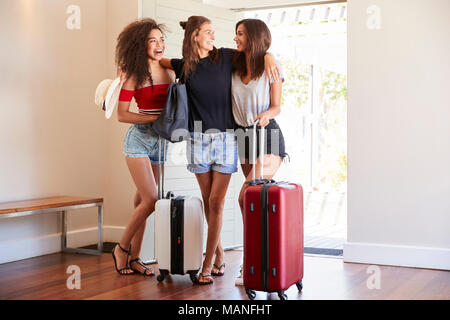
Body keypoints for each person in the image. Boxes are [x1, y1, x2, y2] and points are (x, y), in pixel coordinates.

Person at [159, 16, 280, 285]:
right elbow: (161, 61)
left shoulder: (225, 57)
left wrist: (270, 56)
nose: (215, 37)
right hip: (196, 140)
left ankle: (205, 265)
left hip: (226, 139)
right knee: (207, 200)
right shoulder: (184, 67)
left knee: (216, 202)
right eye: (209, 33)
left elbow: (256, 53)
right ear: (194, 37)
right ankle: (220, 255)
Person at [111, 18, 175, 276]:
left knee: (141, 200)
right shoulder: (133, 74)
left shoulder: (170, 70)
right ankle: (121, 248)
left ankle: (135, 258)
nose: (159, 45)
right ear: (142, 44)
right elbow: (122, 114)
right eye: (153, 40)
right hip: (138, 139)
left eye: (161, 40)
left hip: (161, 141)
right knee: (151, 199)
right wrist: (151, 118)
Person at [231, 19, 287, 286]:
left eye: (240, 34)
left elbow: (277, 106)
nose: (235, 38)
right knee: (254, 205)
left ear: (253, 36)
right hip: (243, 137)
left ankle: (252, 261)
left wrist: (266, 113)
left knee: (246, 198)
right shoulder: (233, 65)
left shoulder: (270, 67)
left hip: (267, 135)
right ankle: (258, 260)